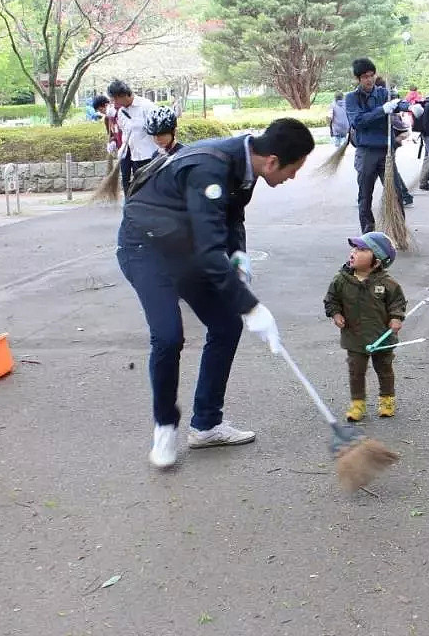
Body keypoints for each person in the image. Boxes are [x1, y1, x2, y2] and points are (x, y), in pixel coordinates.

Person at [116, 118, 315, 469]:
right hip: (145, 248)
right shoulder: (210, 168)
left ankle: (206, 425)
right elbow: (209, 253)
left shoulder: (245, 164)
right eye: (294, 169)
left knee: (225, 326)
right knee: (168, 337)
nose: (293, 178)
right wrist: (251, 307)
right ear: (272, 161)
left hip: (184, 246)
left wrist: (238, 253)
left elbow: (231, 215)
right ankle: (165, 427)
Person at [323, 231, 407, 422]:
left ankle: (387, 399)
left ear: (376, 262)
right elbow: (331, 299)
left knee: (384, 368)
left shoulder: (387, 283)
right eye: (354, 248)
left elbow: (398, 303)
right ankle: (358, 403)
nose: (353, 252)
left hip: (381, 336)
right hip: (355, 336)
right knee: (356, 370)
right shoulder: (341, 280)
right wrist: (336, 314)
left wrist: (396, 318)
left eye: (361, 250)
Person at [344, 58, 414, 233]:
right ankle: (368, 235)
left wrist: (409, 107)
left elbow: (398, 103)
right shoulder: (352, 98)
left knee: (396, 193)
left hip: (385, 152)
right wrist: (382, 110)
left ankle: (399, 233)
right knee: (365, 196)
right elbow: (358, 121)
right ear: (358, 79)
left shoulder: (384, 93)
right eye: (365, 77)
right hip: (366, 152)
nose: (369, 79)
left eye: (371, 75)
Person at [107, 80, 156, 197]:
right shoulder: (121, 112)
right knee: (140, 191)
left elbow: (158, 130)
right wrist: (122, 147)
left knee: (153, 191)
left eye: (115, 99)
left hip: (152, 157)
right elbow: (125, 133)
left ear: (123, 95)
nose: (114, 103)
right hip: (135, 158)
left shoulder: (146, 106)